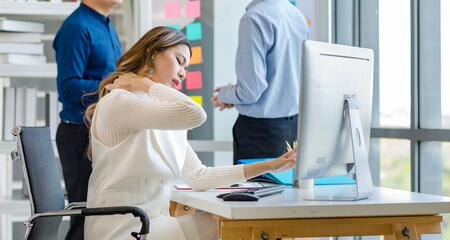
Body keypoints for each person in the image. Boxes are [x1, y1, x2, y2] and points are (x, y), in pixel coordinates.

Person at [83, 26, 296, 240]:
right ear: (152, 53)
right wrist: (145, 83)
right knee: (245, 230)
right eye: (179, 60)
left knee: (244, 223)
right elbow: (195, 114)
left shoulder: (160, 112)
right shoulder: (118, 101)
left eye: (186, 67)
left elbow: (198, 176)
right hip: (124, 228)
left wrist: (271, 166)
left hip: (156, 223)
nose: (183, 73)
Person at [52, 0, 122, 239]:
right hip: (80, 134)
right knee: (85, 219)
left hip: (100, 132)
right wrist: (115, 86)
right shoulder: (77, 26)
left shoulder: (107, 26)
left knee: (100, 219)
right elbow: (68, 87)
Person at [211, 0, 309, 164]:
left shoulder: (254, 18)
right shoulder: (296, 16)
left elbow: (250, 91)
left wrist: (225, 95)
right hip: (293, 127)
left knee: (255, 189)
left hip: (260, 134)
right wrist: (236, 96)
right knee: (285, 189)